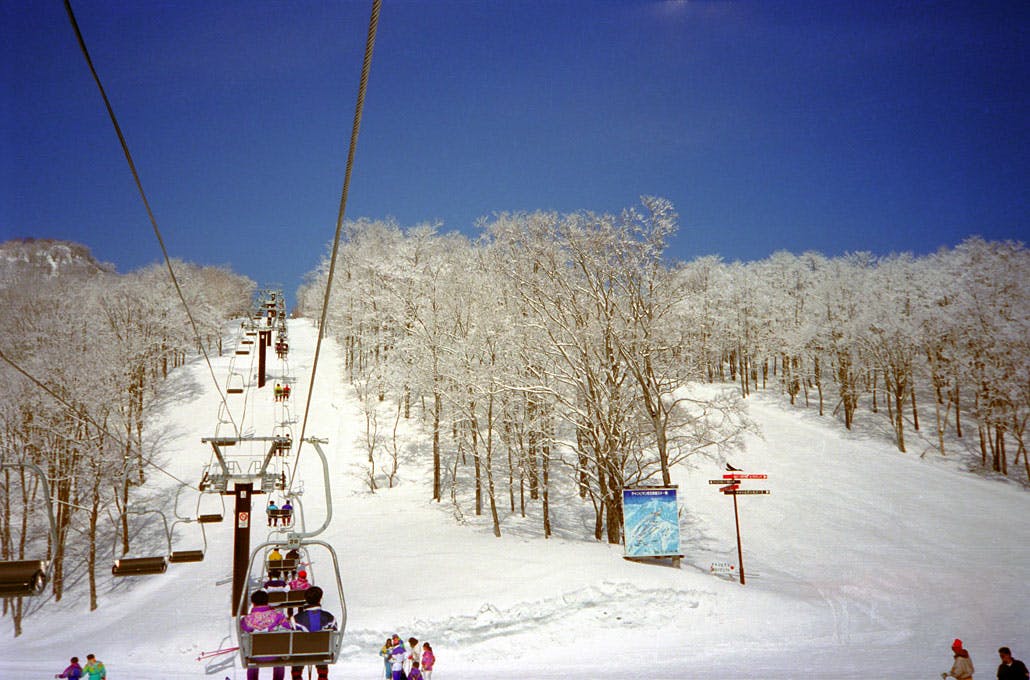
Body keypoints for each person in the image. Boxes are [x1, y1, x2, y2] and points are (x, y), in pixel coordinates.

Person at [240, 590, 290, 680]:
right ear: (267, 601)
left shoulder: (247, 619)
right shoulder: (278, 616)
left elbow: (243, 628)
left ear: (253, 603)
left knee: (252, 658)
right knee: (280, 650)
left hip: (255, 654)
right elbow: (288, 627)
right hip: (275, 653)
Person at [290, 586, 337, 680]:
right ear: (320, 599)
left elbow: (293, 635)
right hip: (322, 652)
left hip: (301, 654)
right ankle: (323, 676)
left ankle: (296, 676)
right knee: (322, 648)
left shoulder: (295, 619)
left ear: (306, 599)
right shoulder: (329, 617)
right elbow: (333, 635)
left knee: (299, 650)